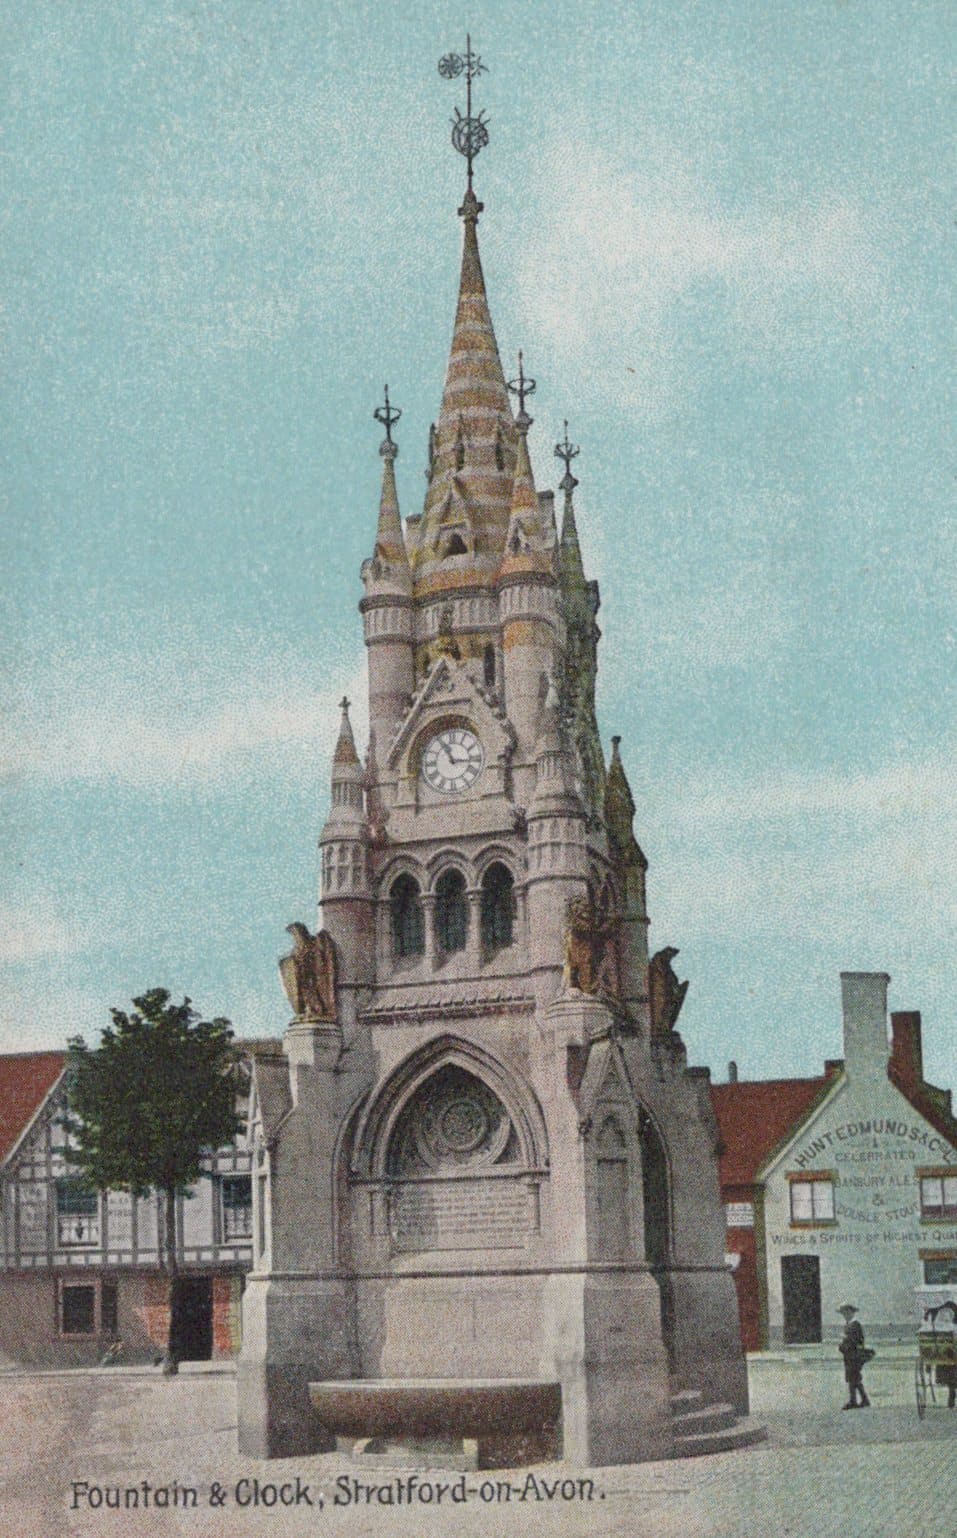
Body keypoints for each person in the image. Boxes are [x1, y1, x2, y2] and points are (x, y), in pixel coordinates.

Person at [838, 1304, 871, 1409]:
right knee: (853, 1378)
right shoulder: (849, 1325)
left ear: (852, 1313)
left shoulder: (856, 1325)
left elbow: (857, 1341)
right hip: (850, 1356)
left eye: (847, 1313)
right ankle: (862, 1400)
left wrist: (844, 1345)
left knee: (853, 1378)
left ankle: (855, 1401)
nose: (845, 1315)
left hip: (854, 1356)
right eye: (844, 1313)